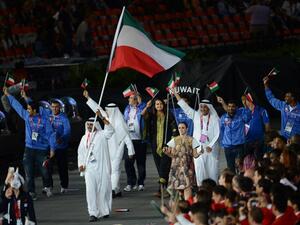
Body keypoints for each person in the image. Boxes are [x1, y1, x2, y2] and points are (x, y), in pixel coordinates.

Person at [3, 87, 55, 199]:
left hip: (42, 149)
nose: (27, 111)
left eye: (30, 109)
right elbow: (17, 107)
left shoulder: (44, 119)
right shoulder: (27, 116)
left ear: (35, 110)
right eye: (27, 109)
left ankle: (48, 186)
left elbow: (51, 134)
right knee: (29, 174)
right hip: (29, 148)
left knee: (45, 172)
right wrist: (8, 95)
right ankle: (31, 192)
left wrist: (52, 149)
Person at [83, 90, 135, 197]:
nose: (106, 111)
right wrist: (88, 98)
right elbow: (97, 109)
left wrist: (131, 151)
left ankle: (112, 189)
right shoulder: (106, 117)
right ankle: (117, 189)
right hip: (107, 148)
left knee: (115, 169)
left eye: (108, 110)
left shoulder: (121, 123)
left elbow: (127, 139)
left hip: (118, 148)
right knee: (111, 169)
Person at [174, 90, 221, 184]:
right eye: (201, 106)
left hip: (211, 150)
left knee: (213, 172)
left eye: (205, 107)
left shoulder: (215, 118)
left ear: (209, 108)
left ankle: (214, 192)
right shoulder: (196, 115)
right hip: (199, 149)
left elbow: (218, 133)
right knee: (200, 172)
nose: (203, 108)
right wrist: (175, 93)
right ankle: (201, 191)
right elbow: (185, 106)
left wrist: (210, 145)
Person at [77, 116, 114, 222]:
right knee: (90, 190)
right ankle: (93, 213)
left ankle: (104, 210)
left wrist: (102, 117)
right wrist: (81, 164)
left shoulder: (102, 135)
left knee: (103, 189)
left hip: (102, 167)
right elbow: (80, 153)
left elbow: (111, 130)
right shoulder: (84, 138)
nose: (89, 126)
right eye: (88, 124)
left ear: (96, 125)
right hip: (89, 169)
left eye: (91, 124)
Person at [142, 98, 178, 195]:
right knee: (159, 166)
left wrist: (172, 142)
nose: (159, 106)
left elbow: (174, 127)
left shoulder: (169, 115)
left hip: (166, 144)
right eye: (157, 104)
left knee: (164, 165)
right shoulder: (152, 115)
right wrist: (147, 107)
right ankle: (165, 188)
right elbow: (142, 116)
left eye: (160, 104)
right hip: (155, 144)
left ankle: (161, 189)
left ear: (164, 104)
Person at [163, 122, 201, 197]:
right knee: (177, 188)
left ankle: (187, 205)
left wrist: (200, 153)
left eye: (183, 127)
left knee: (187, 186)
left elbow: (195, 155)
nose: (181, 129)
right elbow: (172, 155)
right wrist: (167, 153)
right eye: (179, 128)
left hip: (188, 166)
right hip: (176, 167)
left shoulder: (192, 140)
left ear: (187, 129)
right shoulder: (174, 140)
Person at [217, 97, 251, 173]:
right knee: (230, 167)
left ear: (236, 108)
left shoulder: (241, 116)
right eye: (229, 106)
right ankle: (233, 183)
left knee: (240, 166)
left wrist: (246, 106)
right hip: (228, 147)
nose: (230, 108)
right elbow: (221, 130)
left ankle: (241, 182)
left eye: (233, 107)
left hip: (239, 146)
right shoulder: (223, 117)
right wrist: (223, 142)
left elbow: (248, 118)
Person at [263, 75, 300, 140]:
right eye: (285, 96)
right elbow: (271, 99)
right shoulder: (283, 105)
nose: (285, 98)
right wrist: (266, 85)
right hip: (284, 137)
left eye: (287, 96)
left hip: (295, 141)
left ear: (293, 97)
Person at [123, 93, 147, 192]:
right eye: (129, 98)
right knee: (128, 163)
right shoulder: (127, 109)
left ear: (137, 100)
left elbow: (145, 107)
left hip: (140, 140)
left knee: (140, 163)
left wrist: (140, 100)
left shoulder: (141, 109)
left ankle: (140, 183)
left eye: (132, 98)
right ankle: (130, 182)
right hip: (129, 140)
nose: (129, 99)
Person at [48, 100, 71, 193]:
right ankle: (48, 186)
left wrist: (62, 138)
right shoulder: (48, 116)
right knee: (48, 167)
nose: (54, 108)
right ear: (50, 107)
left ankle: (64, 186)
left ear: (60, 108)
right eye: (53, 106)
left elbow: (68, 131)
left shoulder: (64, 118)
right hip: (50, 147)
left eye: (56, 107)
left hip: (61, 147)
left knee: (62, 167)